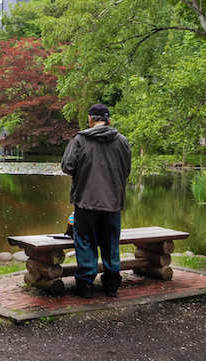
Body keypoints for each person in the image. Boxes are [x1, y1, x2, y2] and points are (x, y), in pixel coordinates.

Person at [61, 103, 131, 299]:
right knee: (111, 243)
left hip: (86, 200)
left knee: (85, 242)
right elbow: (127, 170)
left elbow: (67, 167)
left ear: (90, 120)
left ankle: (85, 285)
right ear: (109, 121)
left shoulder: (80, 140)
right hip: (113, 201)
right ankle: (111, 286)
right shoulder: (122, 141)